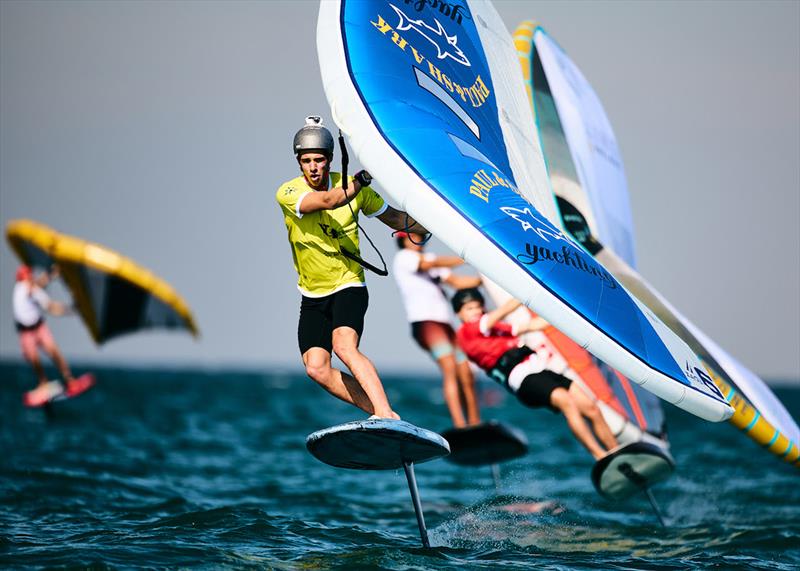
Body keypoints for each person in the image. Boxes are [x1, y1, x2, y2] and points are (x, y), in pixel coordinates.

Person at [276, 116, 428, 420]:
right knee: (316, 368)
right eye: (307, 161)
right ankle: (379, 413)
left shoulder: (359, 192)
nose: (314, 167)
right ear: (299, 162)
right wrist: (360, 181)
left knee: (344, 348)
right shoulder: (289, 193)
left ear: (330, 159)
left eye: (319, 159)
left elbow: (398, 220)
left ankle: (384, 413)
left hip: (349, 285)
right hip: (312, 294)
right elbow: (330, 200)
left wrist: (443, 223)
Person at [452, 287, 618, 460]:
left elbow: (533, 325)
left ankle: (617, 453)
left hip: (541, 370)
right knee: (566, 402)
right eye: (470, 308)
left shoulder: (496, 329)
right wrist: (527, 289)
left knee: (591, 408)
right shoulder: (467, 332)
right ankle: (599, 456)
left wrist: (565, 310)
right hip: (523, 379)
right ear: (458, 314)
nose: (476, 311)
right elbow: (504, 310)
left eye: (478, 306)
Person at [392, 232, 481, 427]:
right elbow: (428, 264)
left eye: (421, 237)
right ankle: (459, 424)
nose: (418, 241)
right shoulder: (405, 258)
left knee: (466, 371)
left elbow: (458, 283)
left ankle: (474, 423)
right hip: (425, 324)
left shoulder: (432, 261)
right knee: (449, 368)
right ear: (403, 239)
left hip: (445, 325)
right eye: (412, 237)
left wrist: (484, 278)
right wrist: (464, 258)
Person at [13, 265, 79, 400]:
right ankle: (43, 383)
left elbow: (51, 307)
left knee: (53, 350)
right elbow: (35, 285)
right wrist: (51, 275)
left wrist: (71, 309)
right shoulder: (20, 289)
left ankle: (69, 378)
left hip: (39, 326)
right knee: (34, 358)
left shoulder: (37, 291)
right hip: (25, 331)